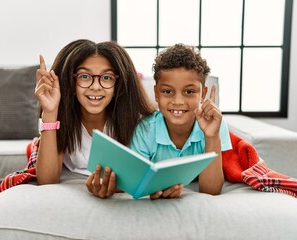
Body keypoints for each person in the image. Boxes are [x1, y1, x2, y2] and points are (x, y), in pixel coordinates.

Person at [35, 39, 155, 199]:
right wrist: (49, 112)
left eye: (106, 78)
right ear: (71, 82)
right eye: (85, 76)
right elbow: (47, 181)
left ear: (117, 85)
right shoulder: (60, 116)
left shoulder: (138, 121)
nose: (96, 86)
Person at [129, 43, 232, 199]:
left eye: (189, 91)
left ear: (202, 93)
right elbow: (135, 182)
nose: (178, 101)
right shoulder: (145, 130)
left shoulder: (215, 125)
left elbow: (211, 192)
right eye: (167, 91)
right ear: (156, 93)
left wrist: (211, 136)